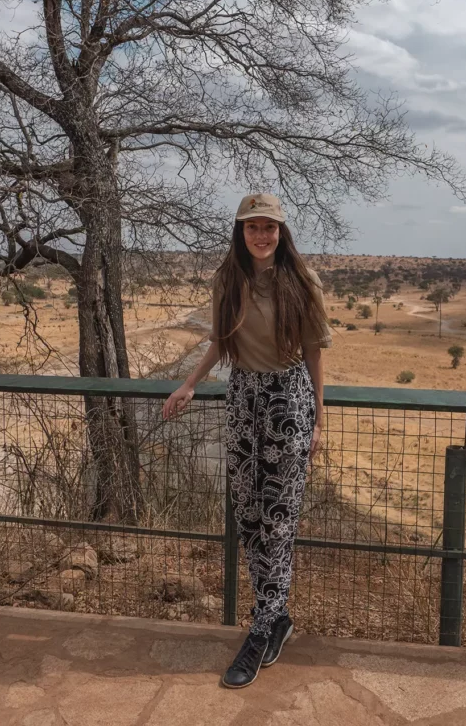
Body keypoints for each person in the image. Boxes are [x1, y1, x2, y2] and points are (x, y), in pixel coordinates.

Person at [162, 192, 331, 688]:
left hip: (288, 401)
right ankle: (276, 617)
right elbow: (220, 338)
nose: (262, 235)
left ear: (282, 231)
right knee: (250, 515)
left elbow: (315, 351)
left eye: (270, 227)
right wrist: (190, 382)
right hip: (243, 399)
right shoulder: (228, 280)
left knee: (278, 518)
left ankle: (260, 629)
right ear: (240, 232)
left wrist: (321, 418)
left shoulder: (302, 281)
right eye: (253, 227)